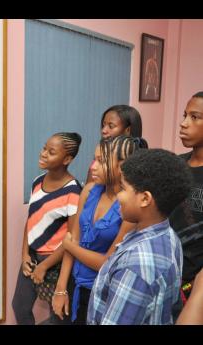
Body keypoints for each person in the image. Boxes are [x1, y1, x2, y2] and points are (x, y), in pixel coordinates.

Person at [88, 149, 192, 325]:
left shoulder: (136, 267)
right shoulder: (169, 236)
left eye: (123, 188)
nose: (118, 196)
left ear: (145, 198)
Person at [52, 136, 147, 324]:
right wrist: (61, 288)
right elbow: (74, 237)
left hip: (103, 290)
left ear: (123, 165)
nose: (93, 167)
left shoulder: (128, 205)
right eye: (94, 159)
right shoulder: (88, 190)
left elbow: (107, 262)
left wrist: (69, 246)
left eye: (102, 161)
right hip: (75, 283)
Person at [12, 132, 83, 325]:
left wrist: (44, 266)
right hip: (32, 257)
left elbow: (71, 238)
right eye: (44, 148)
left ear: (67, 159)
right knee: (19, 306)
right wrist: (25, 254)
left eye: (51, 152)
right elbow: (31, 220)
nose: (43, 154)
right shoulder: (37, 181)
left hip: (56, 262)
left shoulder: (74, 191)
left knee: (58, 316)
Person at [170, 91, 203, 308]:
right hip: (165, 276)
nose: (183, 123)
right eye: (184, 115)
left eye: (195, 117)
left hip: (195, 289)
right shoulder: (173, 165)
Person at [85, 105, 142, 184]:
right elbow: (88, 191)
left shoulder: (139, 167)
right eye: (103, 125)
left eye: (111, 126)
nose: (103, 131)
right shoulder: (96, 163)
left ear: (128, 130)